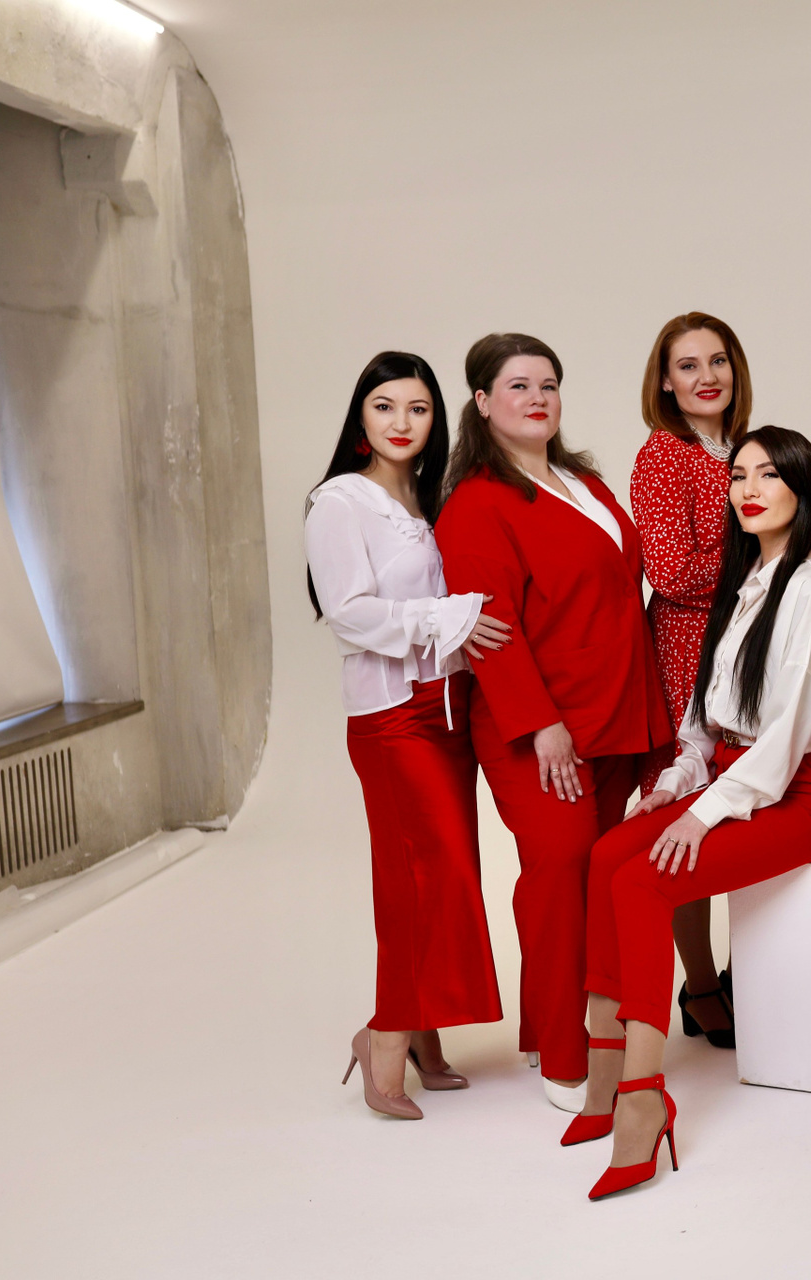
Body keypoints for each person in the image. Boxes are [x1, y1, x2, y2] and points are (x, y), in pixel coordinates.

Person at [573, 426, 811, 1199]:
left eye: (769, 475)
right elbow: (705, 720)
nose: (749, 490)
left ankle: (641, 1096)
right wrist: (678, 783)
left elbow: (786, 732)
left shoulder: (810, 586)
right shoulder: (741, 579)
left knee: (643, 883)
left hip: (794, 794)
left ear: (802, 489)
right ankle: (603, 1070)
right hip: (728, 776)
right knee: (607, 854)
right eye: (739, 476)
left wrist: (706, 812)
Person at [434, 333, 672, 1113]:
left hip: (614, 712)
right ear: (481, 401)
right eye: (518, 385)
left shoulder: (585, 481)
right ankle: (563, 1056)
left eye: (549, 384)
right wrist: (541, 725)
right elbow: (491, 630)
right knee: (558, 877)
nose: (537, 398)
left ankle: (563, 1031)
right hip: (542, 728)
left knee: (597, 878)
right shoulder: (476, 504)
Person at [307, 351, 512, 1120]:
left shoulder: (431, 500)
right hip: (393, 719)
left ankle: (426, 1032)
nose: (402, 422)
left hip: (451, 711)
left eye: (418, 409)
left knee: (453, 878)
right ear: (361, 418)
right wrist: (448, 616)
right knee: (412, 884)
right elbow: (348, 613)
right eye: (385, 406)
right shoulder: (339, 501)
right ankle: (384, 1035)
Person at [629, 312, 755, 1049]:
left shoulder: (745, 448)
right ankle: (701, 983)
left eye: (719, 361)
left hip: (747, 643)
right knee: (690, 816)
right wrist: (760, 570)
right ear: (666, 382)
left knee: (749, 810)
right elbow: (672, 573)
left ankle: (746, 974)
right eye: (688, 365)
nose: (707, 377)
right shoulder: (663, 455)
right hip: (688, 650)